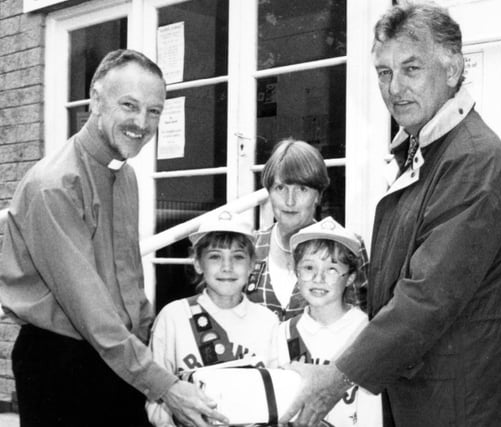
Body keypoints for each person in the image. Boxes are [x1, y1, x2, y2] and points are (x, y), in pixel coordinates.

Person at [280, 3, 501, 426]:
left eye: (411, 69)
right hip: (427, 395)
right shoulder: (425, 150)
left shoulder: (474, 162)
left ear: (452, 71)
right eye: (383, 72)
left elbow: (426, 298)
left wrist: (336, 378)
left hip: (460, 404)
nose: (394, 88)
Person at [0, 49, 226, 427]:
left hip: (117, 359)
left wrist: (157, 354)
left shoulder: (125, 173)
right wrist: (163, 384)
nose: (142, 122)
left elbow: (128, 281)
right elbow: (91, 311)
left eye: (154, 111)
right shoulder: (55, 186)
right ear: (96, 101)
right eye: (129, 105)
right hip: (61, 367)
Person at [147, 210, 280, 426]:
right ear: (198, 263)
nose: (227, 267)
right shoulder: (173, 317)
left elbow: (277, 398)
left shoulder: (268, 322)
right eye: (215, 256)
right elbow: (155, 397)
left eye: (238, 257)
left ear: (252, 265)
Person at [275, 217, 382, 427]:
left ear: (350, 277)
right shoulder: (285, 332)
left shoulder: (367, 332)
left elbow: (372, 415)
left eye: (332, 269)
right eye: (308, 267)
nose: (318, 278)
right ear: (296, 271)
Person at [246, 138, 367, 320]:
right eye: (280, 188)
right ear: (269, 192)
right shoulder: (249, 246)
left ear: (318, 196)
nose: (290, 201)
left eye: (302, 189)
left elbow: (361, 324)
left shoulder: (346, 246)